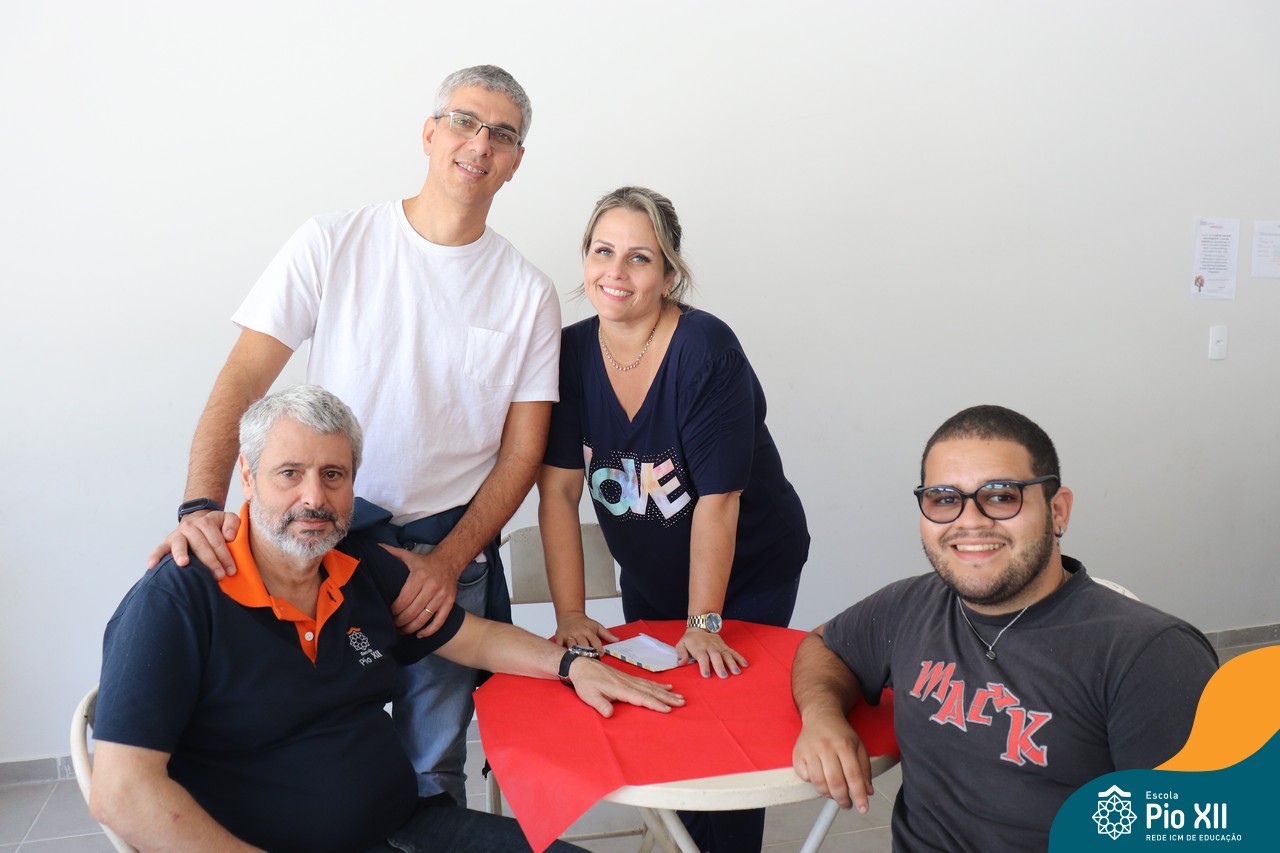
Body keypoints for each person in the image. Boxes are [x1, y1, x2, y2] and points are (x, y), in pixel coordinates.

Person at [145, 65, 561, 807]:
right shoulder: (334, 241)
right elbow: (243, 377)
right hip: (319, 538)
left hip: (446, 551)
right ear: (429, 133)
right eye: (464, 121)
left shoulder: (528, 292)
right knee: (313, 744)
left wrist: (447, 562)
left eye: (501, 134)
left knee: (433, 771)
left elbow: (523, 452)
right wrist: (199, 505)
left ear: (517, 161)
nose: (480, 143)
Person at [94, 386, 682, 853]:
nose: (314, 498)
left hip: (406, 828)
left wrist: (572, 665)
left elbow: (474, 639)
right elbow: (121, 792)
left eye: (333, 474)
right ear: (247, 477)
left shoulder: (359, 566)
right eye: (289, 473)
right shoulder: (178, 597)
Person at [791, 404, 1218, 852]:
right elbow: (824, 645)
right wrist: (822, 716)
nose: (970, 521)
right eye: (944, 498)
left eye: (1000, 496)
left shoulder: (1150, 656)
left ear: (1058, 511)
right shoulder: (909, 606)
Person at [538, 186, 810, 852]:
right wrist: (570, 613)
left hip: (747, 571)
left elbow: (720, 501)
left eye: (640, 257)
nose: (616, 271)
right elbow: (560, 493)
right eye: (603, 251)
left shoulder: (705, 350)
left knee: (732, 728)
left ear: (668, 273)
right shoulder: (569, 353)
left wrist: (705, 621)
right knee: (668, 722)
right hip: (651, 572)